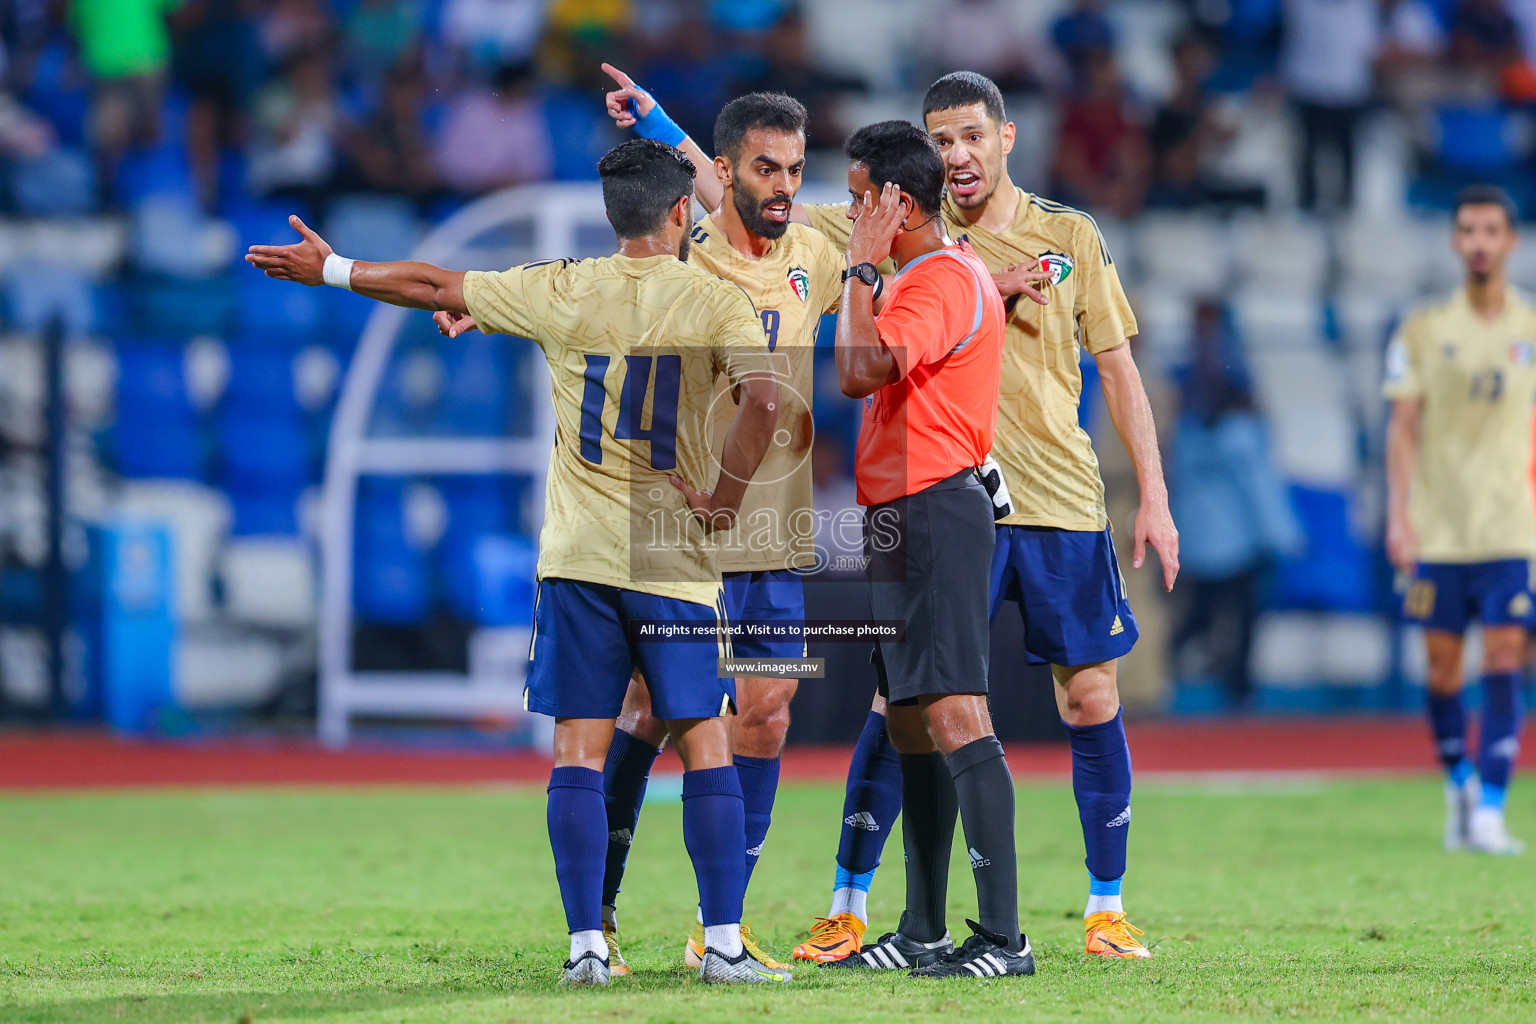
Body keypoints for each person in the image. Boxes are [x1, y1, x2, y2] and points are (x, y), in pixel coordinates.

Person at [615, 70, 1178, 964]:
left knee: (1074, 694)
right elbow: (742, 191)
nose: (957, 152)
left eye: (970, 136)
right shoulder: (888, 233)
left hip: (1041, 496)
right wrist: (658, 121)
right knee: (904, 703)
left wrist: (1151, 492)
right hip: (931, 497)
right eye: (941, 137)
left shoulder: (1058, 238)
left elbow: (1115, 369)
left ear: (1005, 139)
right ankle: (865, 909)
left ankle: (1088, 911)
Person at [246, 138, 793, 984]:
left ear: (615, 215)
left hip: (577, 558)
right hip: (672, 562)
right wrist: (723, 499)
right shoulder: (714, 301)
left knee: (577, 750)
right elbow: (765, 400)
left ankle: (585, 949)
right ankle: (722, 942)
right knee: (706, 743)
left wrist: (333, 269)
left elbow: (434, 285)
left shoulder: (562, 286)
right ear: (682, 212)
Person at [588, 76, 848, 975]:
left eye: (797, 169)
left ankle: (719, 929)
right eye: (766, 168)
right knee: (654, 708)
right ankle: (601, 911)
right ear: (728, 170)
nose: (784, 186)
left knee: (768, 715)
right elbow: (606, 300)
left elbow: (931, 231)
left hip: (773, 529)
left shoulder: (816, 247)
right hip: (685, 521)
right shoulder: (683, 248)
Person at [824, 119, 1032, 980]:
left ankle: (1003, 940)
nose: (848, 209)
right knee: (913, 725)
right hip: (904, 512)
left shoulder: (936, 280)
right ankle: (923, 931)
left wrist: (860, 272)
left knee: (954, 715)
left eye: (856, 196)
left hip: (936, 510)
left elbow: (857, 370)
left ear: (894, 202)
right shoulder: (939, 275)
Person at [1384, 184, 1535, 857]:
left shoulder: (1530, 327)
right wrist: (1398, 517)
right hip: (1439, 530)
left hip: (1509, 526)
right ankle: (1460, 784)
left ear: (1511, 241)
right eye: (1468, 229)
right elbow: (1402, 430)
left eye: (1490, 231)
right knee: (1444, 673)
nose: (1479, 242)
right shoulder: (1422, 329)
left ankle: (1491, 810)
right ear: (1454, 241)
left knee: (1505, 656)